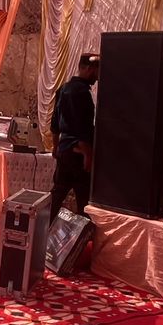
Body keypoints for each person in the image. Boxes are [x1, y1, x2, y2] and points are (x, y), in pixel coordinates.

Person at [48, 52, 100, 218]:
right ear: (89, 68)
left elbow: (55, 122)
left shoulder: (63, 88)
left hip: (64, 150)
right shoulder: (81, 92)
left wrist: (56, 146)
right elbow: (81, 126)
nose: (98, 77)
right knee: (84, 200)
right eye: (97, 71)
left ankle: (43, 228)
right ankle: (81, 233)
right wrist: (87, 155)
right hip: (77, 153)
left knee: (57, 195)